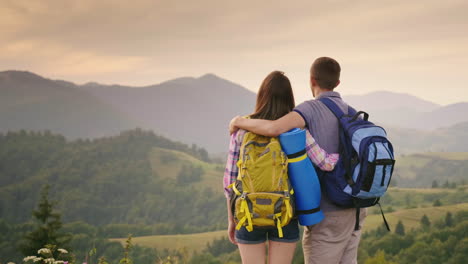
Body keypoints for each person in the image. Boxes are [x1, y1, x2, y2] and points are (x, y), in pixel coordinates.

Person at [229, 57, 367, 264]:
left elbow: (229, 180)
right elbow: (326, 162)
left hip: (247, 212)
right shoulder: (296, 130)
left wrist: (232, 219)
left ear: (312, 80)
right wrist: (350, 159)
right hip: (285, 213)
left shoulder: (241, 132)